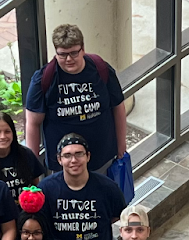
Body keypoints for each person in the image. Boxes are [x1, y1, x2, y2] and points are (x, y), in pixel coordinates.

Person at [24, 23, 128, 174]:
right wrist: (32, 166)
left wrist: (121, 146)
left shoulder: (101, 69)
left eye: (73, 53)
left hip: (102, 159)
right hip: (63, 166)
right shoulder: (44, 79)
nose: (68, 59)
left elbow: (118, 108)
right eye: (62, 54)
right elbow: (33, 123)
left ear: (83, 49)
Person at [39, 133, 127, 240]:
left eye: (79, 154)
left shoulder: (107, 188)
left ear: (88, 156)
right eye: (67, 155)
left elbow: (116, 216)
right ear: (59, 160)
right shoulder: (46, 189)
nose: (73, 160)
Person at [0, 108, 48, 201]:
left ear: (13, 133)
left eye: (7, 131)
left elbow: (35, 186)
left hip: (27, 211)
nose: (3, 136)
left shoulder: (26, 154)